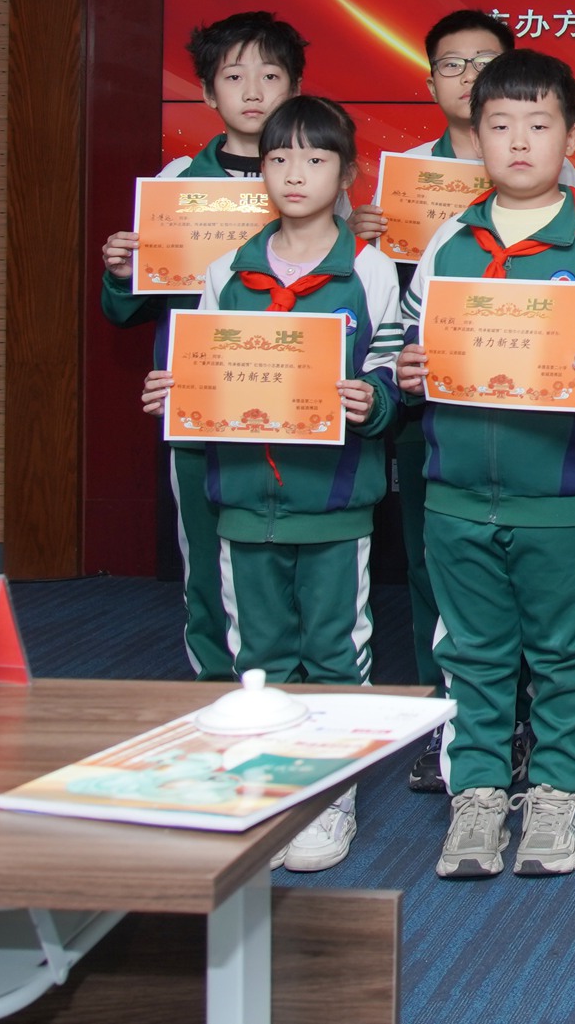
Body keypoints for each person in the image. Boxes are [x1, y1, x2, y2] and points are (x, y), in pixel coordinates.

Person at [392, 50, 575, 880]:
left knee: (563, 652)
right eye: (500, 124)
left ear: (571, 137)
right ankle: (477, 792)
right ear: (475, 136)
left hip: (564, 497)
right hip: (455, 495)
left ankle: (556, 793)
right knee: (471, 651)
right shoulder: (450, 240)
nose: (519, 141)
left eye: (539, 124)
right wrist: (409, 370)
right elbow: (410, 341)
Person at [140, 94, 402, 873]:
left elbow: (392, 370)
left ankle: (330, 792)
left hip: (333, 498)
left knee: (335, 647)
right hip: (244, 497)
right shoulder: (228, 269)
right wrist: (175, 390)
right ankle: (274, 781)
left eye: (315, 158)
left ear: (346, 173)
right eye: (279, 158)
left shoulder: (369, 269)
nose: (295, 173)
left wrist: (374, 397)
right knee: (258, 648)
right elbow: (207, 367)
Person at [350, 9, 575, 794]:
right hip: (446, 422)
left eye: (487, 62)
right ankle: (455, 725)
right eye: (455, 64)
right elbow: (398, 319)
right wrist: (364, 237)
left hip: (544, 448)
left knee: (547, 606)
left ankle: (532, 736)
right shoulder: (412, 193)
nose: (470, 75)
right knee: (442, 577)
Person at [103, 10, 307, 681]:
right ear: (206, 92)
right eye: (233, 76)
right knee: (207, 549)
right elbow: (128, 310)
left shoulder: (315, 177)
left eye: (270, 75)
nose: (252, 91)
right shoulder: (176, 184)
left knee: (300, 553)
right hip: (200, 401)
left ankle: (299, 685)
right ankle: (217, 684)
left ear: (295, 87)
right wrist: (124, 272)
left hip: (296, 399)